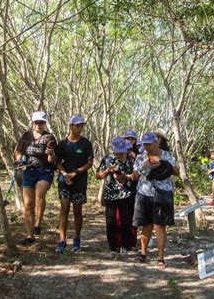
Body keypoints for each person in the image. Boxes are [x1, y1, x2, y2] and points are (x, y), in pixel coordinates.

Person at [130, 132, 179, 269]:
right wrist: (145, 166)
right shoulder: (140, 157)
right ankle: (143, 253)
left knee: (160, 226)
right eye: (144, 144)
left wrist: (163, 164)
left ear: (156, 142)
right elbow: (134, 176)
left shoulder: (167, 155)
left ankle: (160, 258)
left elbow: (176, 171)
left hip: (162, 193)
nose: (146, 147)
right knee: (146, 225)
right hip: (144, 193)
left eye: (149, 144)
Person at [14, 111, 57, 245]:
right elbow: (18, 152)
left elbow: (53, 159)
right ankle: (29, 235)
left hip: (45, 171)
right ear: (32, 123)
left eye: (41, 122)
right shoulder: (26, 137)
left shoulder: (49, 138)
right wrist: (19, 160)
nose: (39, 125)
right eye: (36, 122)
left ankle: (38, 222)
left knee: (39, 194)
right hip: (29, 171)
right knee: (28, 204)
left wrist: (51, 154)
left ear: (45, 123)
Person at [55, 115, 94, 253]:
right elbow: (58, 161)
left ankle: (77, 239)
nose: (80, 128)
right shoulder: (62, 143)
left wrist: (75, 173)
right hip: (64, 181)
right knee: (64, 207)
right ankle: (62, 241)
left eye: (81, 125)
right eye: (77, 125)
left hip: (79, 181)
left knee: (77, 211)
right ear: (70, 126)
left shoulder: (86, 143)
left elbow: (90, 163)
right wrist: (65, 174)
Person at [96, 137, 135, 258]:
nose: (118, 154)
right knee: (110, 221)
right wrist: (108, 171)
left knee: (126, 221)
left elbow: (135, 176)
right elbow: (98, 175)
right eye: (116, 151)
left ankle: (124, 247)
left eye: (121, 151)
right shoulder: (108, 159)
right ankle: (113, 248)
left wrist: (125, 176)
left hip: (126, 195)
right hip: (110, 195)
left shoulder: (131, 161)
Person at [121, 130, 140, 250]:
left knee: (134, 215)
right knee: (123, 215)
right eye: (127, 138)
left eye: (131, 139)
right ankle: (123, 241)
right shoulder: (120, 152)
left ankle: (132, 242)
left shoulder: (139, 154)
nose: (129, 141)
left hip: (135, 187)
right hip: (121, 187)